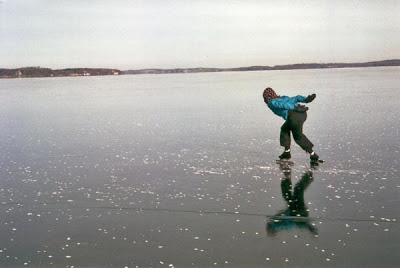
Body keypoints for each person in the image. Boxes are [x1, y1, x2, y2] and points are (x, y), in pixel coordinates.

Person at [262, 87, 321, 162]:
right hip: (302, 114)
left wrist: (294, 108)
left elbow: (281, 104)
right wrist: (305, 99)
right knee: (284, 129)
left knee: (298, 136)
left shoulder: (271, 102)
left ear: (266, 98)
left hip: (294, 116)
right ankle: (287, 152)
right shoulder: (283, 97)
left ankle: (313, 155)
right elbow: (295, 98)